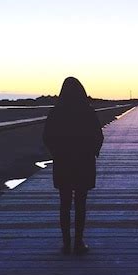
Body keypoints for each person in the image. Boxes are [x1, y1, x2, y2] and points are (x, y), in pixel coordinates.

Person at [42, 77, 104, 255]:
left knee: (64, 203)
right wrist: (93, 151)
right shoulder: (87, 111)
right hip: (84, 162)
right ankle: (78, 242)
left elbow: (47, 136)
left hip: (63, 162)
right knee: (80, 203)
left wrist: (55, 152)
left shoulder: (56, 112)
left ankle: (66, 243)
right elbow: (98, 136)